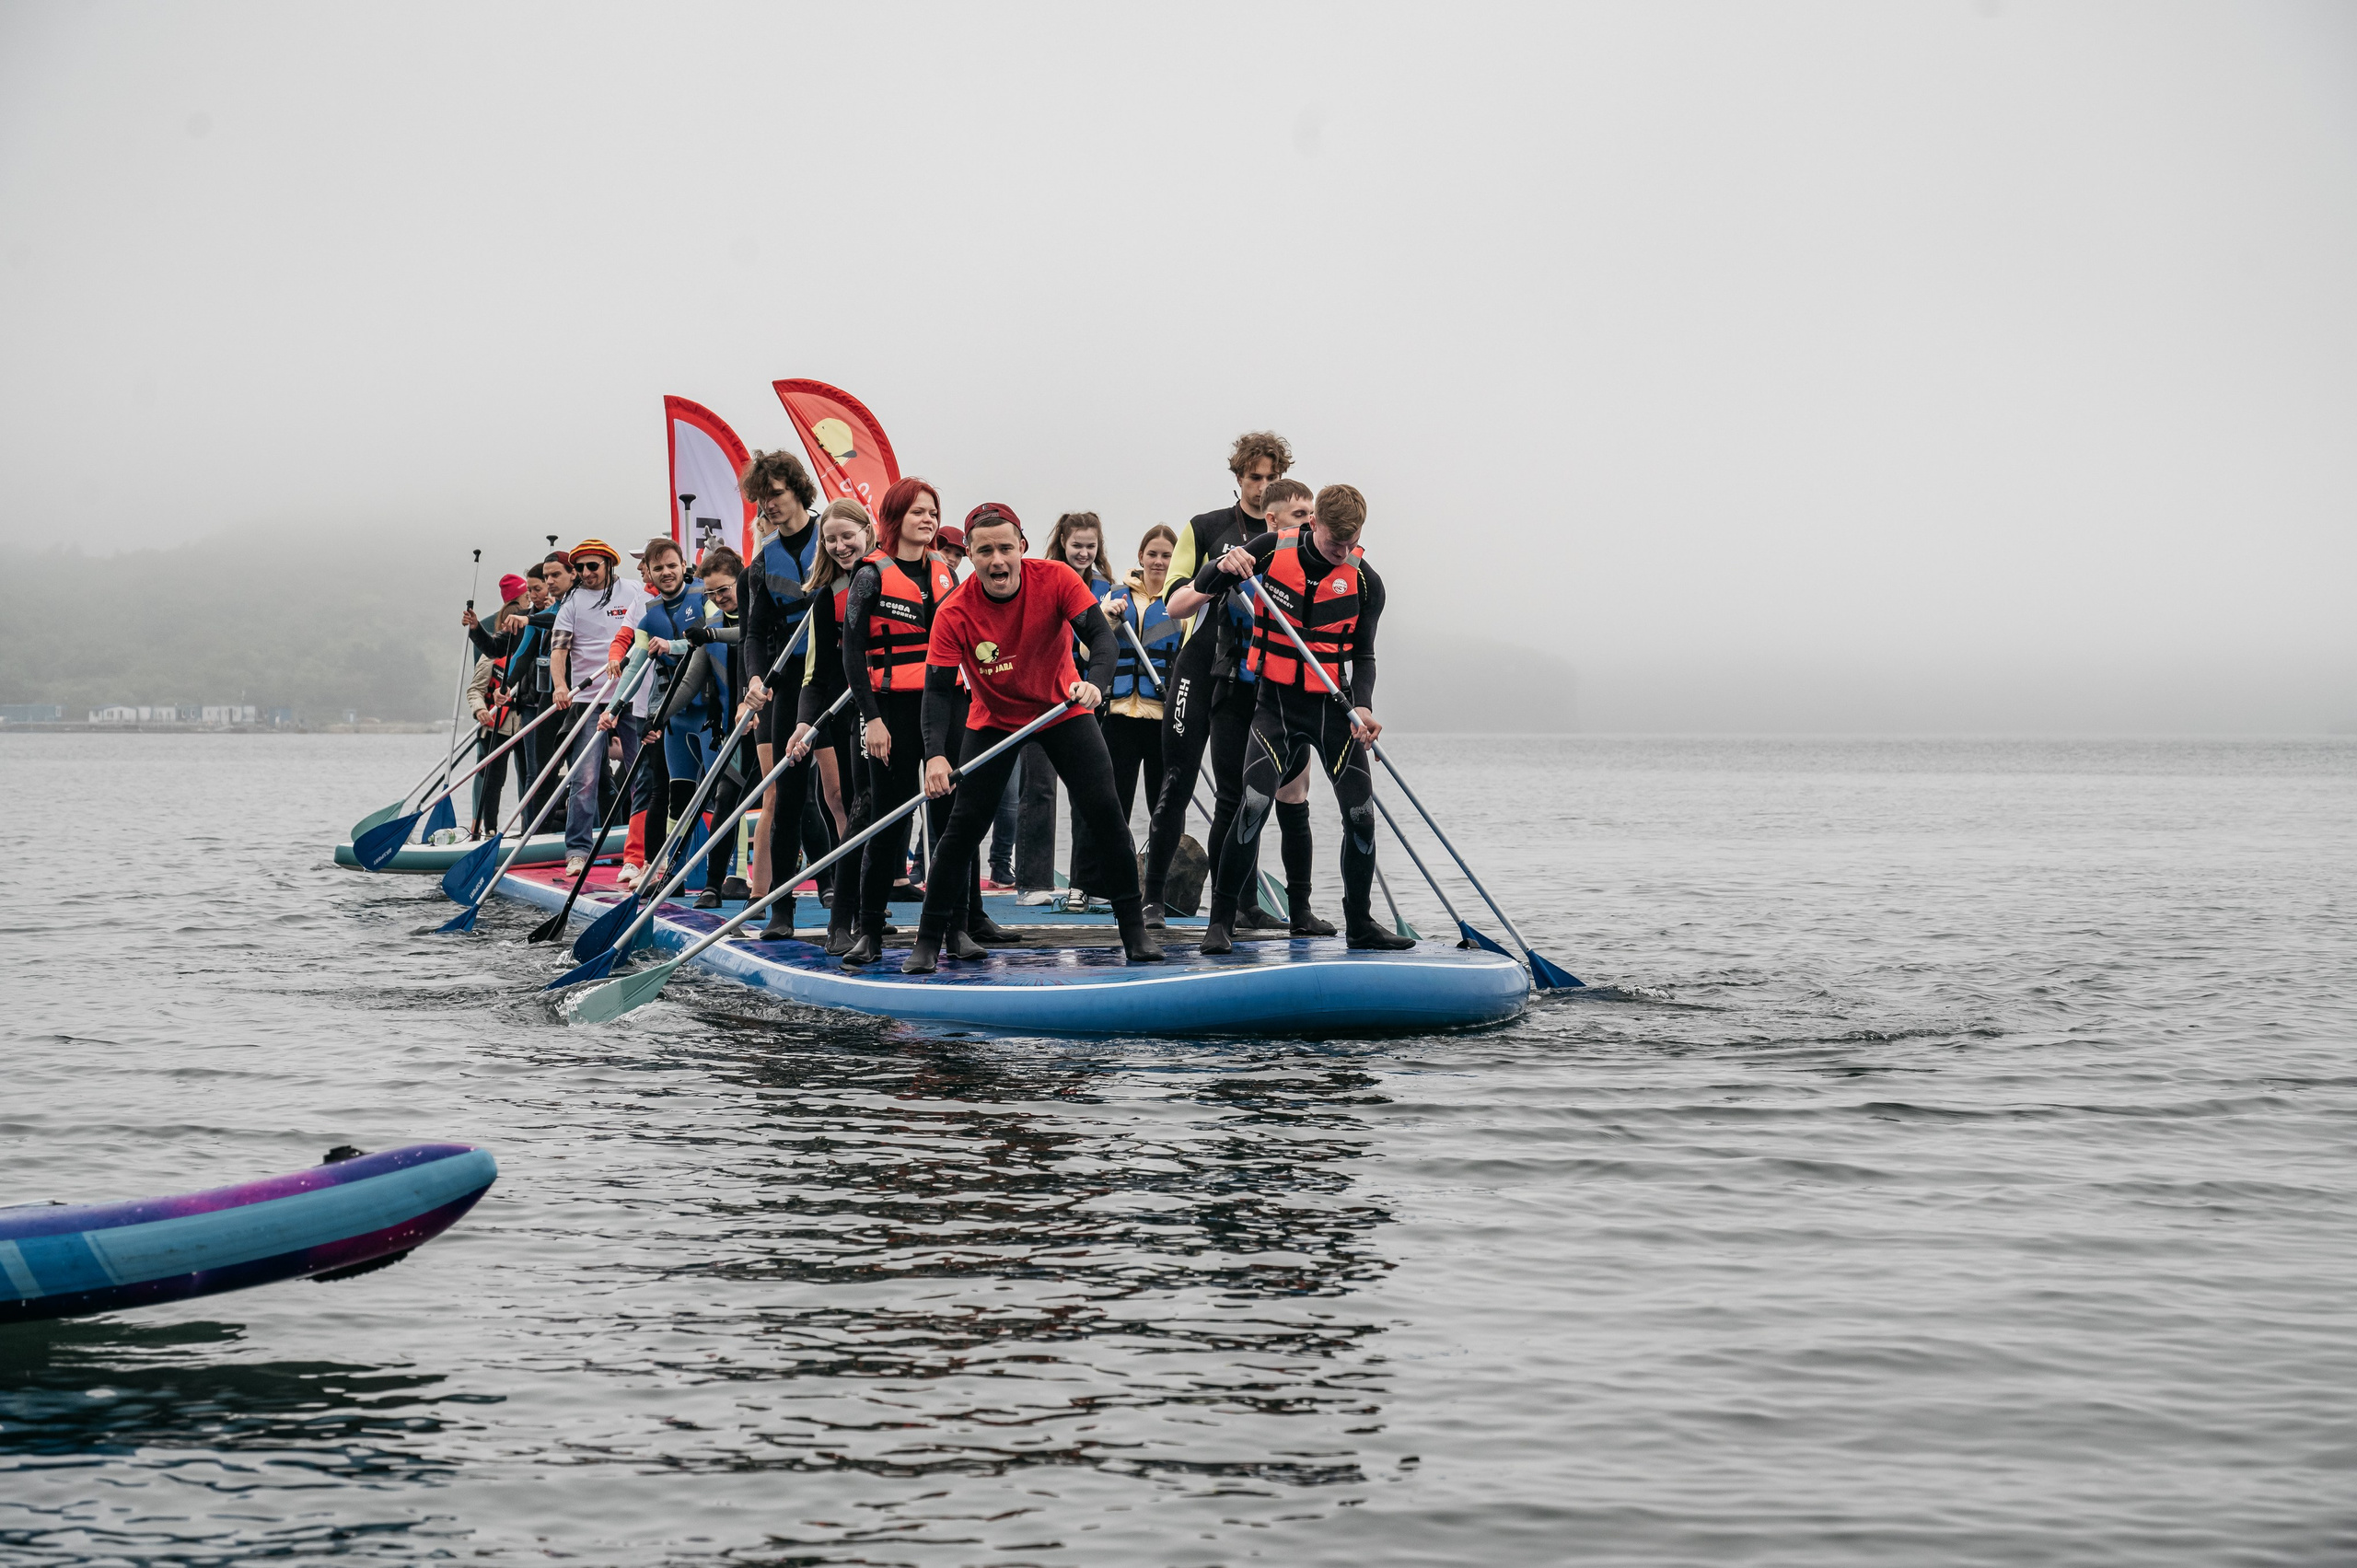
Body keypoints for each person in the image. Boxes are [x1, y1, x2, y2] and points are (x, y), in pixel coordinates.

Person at [900, 505, 1166, 972]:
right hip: (994, 721)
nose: (997, 561)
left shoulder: (1058, 579)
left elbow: (1103, 642)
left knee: (1106, 815)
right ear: (972, 556)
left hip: (1062, 710)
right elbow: (938, 692)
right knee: (961, 832)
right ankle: (928, 940)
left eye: (1005, 548)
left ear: (1021, 548)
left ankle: (1134, 931)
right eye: (984, 552)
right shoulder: (954, 611)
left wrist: (1095, 686)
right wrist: (935, 757)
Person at [1193, 484, 1413, 955]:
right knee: (1252, 806)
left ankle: (1360, 924)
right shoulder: (1272, 550)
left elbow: (1365, 654)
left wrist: (1365, 706)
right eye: (1335, 543)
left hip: (1335, 710)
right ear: (1313, 525)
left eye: (1350, 544)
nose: (1341, 553)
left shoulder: (1366, 581)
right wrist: (1223, 565)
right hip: (1276, 706)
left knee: (1360, 817)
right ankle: (1221, 922)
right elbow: (1205, 585)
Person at [1138, 434, 1327, 935]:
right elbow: (1171, 605)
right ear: (1239, 478)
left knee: (1241, 793)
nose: (1263, 487)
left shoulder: (1299, 532)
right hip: (1202, 669)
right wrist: (1218, 568)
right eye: (1254, 478)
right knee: (1175, 782)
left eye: (1271, 478)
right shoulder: (1206, 527)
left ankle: (1242, 906)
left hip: (1257, 680)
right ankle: (1152, 899)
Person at [837, 478, 959, 966]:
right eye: (917, 513)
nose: (928, 520)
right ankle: (870, 931)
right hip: (891, 709)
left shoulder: (946, 573)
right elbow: (851, 652)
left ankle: (954, 931)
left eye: (933, 512)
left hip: (944, 705)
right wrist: (873, 719)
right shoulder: (869, 575)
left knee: (951, 821)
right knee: (888, 818)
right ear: (895, 518)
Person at [784, 499, 879, 950]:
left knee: (886, 810)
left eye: (848, 535)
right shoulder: (827, 595)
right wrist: (805, 724)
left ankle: (872, 913)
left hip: (897, 706)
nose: (840, 546)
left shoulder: (894, 575)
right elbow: (815, 674)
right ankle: (846, 916)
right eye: (831, 538)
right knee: (851, 804)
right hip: (848, 711)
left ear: (869, 530)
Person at [1016, 512, 1115, 908]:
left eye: (1091, 546)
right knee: (1038, 787)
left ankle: (1083, 883)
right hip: (1043, 699)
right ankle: (1032, 882)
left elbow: (1106, 645)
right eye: (1077, 545)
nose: (1084, 553)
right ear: (1063, 542)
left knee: (1087, 793)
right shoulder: (1043, 579)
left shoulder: (1109, 589)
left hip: (1085, 700)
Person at [737, 449, 823, 906]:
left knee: (841, 792)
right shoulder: (763, 561)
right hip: (790, 678)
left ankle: (848, 896)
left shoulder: (833, 538)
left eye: (776, 494)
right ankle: (781, 908)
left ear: (797, 491)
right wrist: (754, 677)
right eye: (761, 498)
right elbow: (753, 631)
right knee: (788, 795)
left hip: (834, 675)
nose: (768, 505)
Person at [547, 538, 649, 877]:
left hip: (631, 695)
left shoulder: (634, 590)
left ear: (608, 565)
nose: (586, 573)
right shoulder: (572, 602)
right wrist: (561, 686)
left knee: (640, 775)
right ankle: (577, 849)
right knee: (586, 778)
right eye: (580, 568)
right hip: (590, 699)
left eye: (593, 566)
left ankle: (643, 849)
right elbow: (559, 650)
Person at [1098, 524, 1180, 835]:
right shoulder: (1116, 596)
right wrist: (1106, 615)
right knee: (1115, 806)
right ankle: (1114, 875)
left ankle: (1162, 872)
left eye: (1166, 555)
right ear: (1141, 557)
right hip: (1120, 717)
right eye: (1152, 554)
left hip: (1162, 717)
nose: (1158, 561)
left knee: (1163, 806)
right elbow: (1086, 646)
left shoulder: (1181, 601)